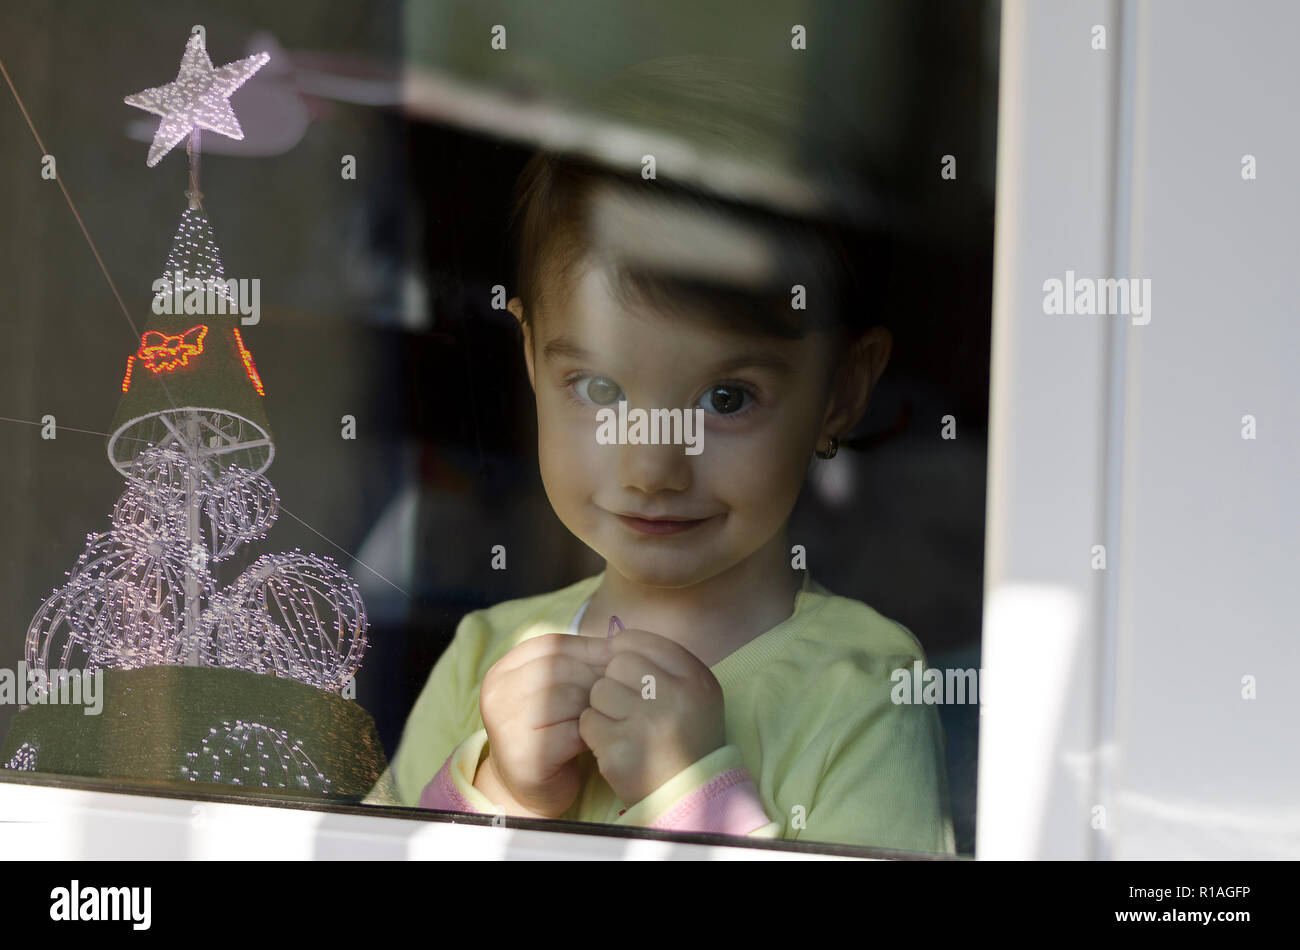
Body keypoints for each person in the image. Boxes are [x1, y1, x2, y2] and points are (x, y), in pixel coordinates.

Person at [366, 148, 956, 854]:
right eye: (599, 390)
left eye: (727, 399)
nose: (652, 467)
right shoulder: (485, 656)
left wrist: (691, 799)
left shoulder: (863, 688)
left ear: (843, 391)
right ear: (530, 356)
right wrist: (494, 796)